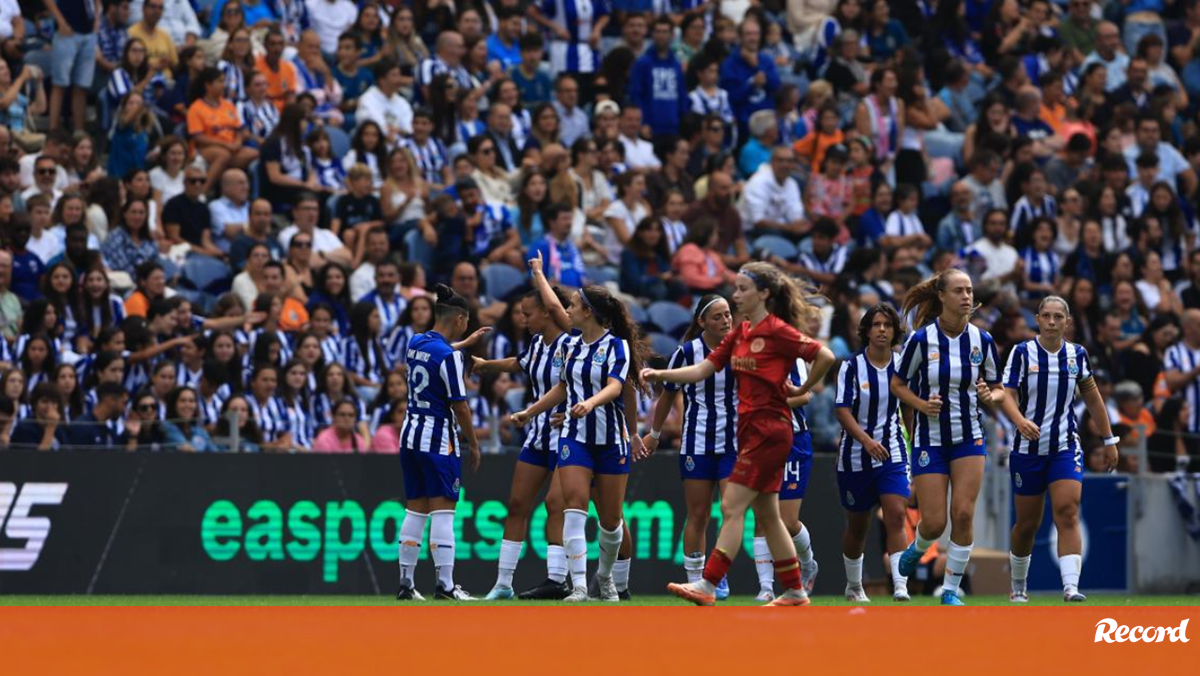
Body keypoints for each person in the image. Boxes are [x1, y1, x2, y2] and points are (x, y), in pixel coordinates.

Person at [644, 262, 836, 606]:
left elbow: (825, 355)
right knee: (768, 515)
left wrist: (801, 388)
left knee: (732, 506)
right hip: (751, 432)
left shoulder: (777, 330)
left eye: (743, 289)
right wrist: (660, 374)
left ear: (763, 293)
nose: (736, 296)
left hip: (769, 431)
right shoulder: (741, 333)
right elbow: (704, 368)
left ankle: (708, 585)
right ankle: (794, 589)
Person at [510, 283, 648, 603]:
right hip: (575, 437)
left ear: (588, 312)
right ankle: (580, 586)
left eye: (572, 306)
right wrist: (530, 412)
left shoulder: (617, 347)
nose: (567, 310)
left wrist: (590, 402)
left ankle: (605, 577)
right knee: (574, 506)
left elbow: (615, 387)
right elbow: (561, 388)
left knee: (611, 521)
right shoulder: (568, 346)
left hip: (612, 440)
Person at [892, 269, 1003, 606]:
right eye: (959, 291)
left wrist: (990, 397)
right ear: (942, 296)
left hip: (970, 437)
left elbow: (999, 390)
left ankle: (951, 590)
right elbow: (898, 385)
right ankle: (918, 548)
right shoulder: (921, 340)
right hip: (930, 438)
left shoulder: (982, 341)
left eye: (969, 290)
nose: (966, 297)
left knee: (964, 514)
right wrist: (921, 405)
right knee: (934, 522)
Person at [1000, 296, 1119, 603]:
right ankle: (1018, 585)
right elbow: (1006, 395)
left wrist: (1108, 440)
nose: (1052, 322)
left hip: (1065, 446)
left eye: (1058, 317)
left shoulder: (1077, 355)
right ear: (1037, 319)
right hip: (1027, 449)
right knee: (1027, 524)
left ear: (1067, 322)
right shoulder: (1022, 352)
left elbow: (1093, 399)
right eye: (1046, 316)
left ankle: (1071, 587)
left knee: (1067, 511)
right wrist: (1020, 421)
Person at [474, 269, 573, 600]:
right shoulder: (537, 344)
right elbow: (520, 363)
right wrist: (485, 364)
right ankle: (503, 583)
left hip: (568, 433)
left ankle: (558, 579)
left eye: (528, 313)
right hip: (537, 434)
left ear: (547, 311)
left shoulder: (572, 342)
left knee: (556, 503)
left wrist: (538, 273)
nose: (522, 319)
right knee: (517, 504)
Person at [642, 294, 738, 597]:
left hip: (734, 441)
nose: (725, 321)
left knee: (730, 509)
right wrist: (654, 435)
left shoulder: (743, 349)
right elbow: (667, 395)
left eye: (727, 315)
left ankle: (715, 576)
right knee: (698, 513)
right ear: (702, 322)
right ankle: (696, 580)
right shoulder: (687, 353)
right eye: (717, 317)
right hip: (697, 442)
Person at [396, 284, 481, 601]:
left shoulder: (415, 342)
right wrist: (473, 443)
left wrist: (462, 345)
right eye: (466, 322)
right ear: (459, 318)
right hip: (437, 439)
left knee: (415, 511)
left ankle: (406, 583)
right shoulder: (449, 358)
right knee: (443, 512)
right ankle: (445, 585)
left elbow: (438, 353)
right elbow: (460, 405)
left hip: (410, 436)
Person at [831, 304, 913, 602]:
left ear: (894, 332)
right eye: (876, 324)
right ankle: (854, 585)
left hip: (892, 452)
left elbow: (908, 406)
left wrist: (913, 442)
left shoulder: (903, 364)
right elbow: (841, 410)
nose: (881, 329)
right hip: (854, 456)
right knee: (858, 524)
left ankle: (900, 585)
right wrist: (866, 441)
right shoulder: (851, 367)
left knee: (896, 514)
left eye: (887, 325)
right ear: (866, 330)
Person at [10, 382, 67, 450]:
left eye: (54, 402)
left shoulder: (59, 429)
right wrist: (50, 428)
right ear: (35, 404)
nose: (50, 407)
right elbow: (37, 459)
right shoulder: (24, 428)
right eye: (45, 401)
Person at [161, 385, 217, 451]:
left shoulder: (200, 431)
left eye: (191, 401)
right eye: (183, 401)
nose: (187, 405)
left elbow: (215, 453)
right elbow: (188, 450)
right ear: (174, 405)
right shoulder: (167, 427)